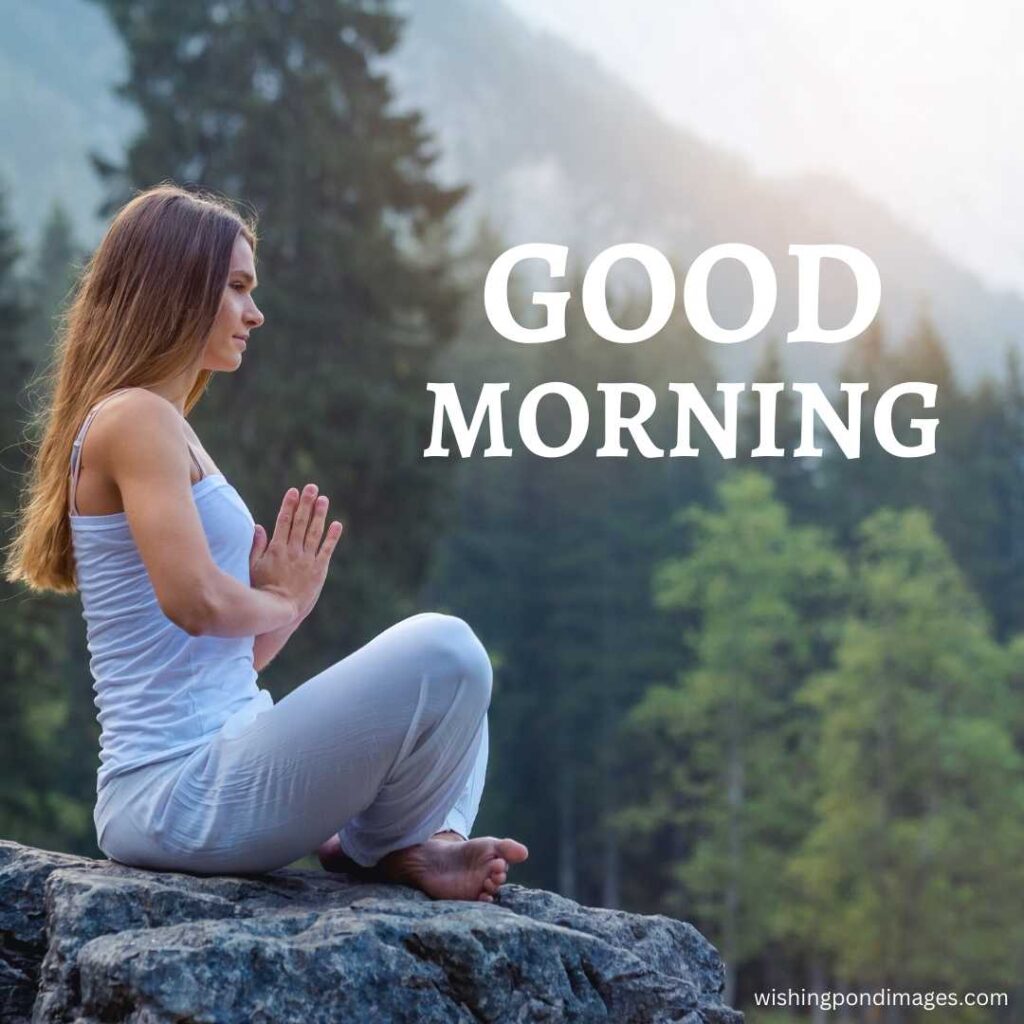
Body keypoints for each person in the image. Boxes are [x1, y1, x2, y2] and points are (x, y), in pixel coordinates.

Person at [2, 183, 528, 901]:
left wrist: (288, 610)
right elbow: (193, 602)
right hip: (172, 791)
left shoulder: (164, 424)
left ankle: (413, 844)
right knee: (449, 652)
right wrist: (279, 599)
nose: (256, 312)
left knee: (460, 696)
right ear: (179, 287)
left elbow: (209, 664)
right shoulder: (133, 418)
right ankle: (392, 846)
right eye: (238, 287)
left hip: (219, 760)